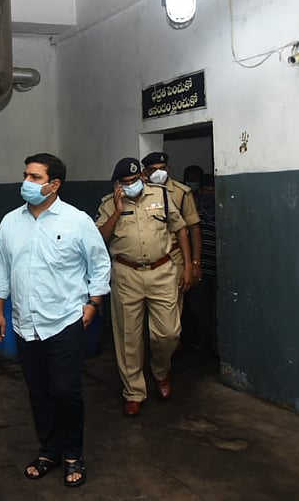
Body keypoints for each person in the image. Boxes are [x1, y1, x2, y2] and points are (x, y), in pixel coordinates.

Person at [0, 152, 111, 488]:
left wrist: (94, 302)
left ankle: (73, 455)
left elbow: (99, 263)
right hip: (23, 323)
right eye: (25, 175)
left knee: (65, 390)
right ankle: (49, 451)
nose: (26, 183)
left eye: (35, 177)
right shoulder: (10, 222)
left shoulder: (77, 221)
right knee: (38, 390)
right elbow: (1, 269)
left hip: (64, 320)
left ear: (54, 184)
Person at [96, 157, 192, 417]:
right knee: (128, 337)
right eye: (125, 183)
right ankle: (134, 392)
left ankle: (161, 371)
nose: (132, 186)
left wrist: (190, 266)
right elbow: (99, 239)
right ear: (118, 185)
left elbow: (180, 228)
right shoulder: (108, 204)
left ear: (142, 178)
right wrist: (117, 210)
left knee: (168, 333)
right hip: (126, 274)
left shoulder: (160, 195)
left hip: (162, 271)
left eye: (135, 180)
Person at [141, 152, 201, 314]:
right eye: (153, 170)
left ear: (168, 169)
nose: (159, 173)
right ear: (145, 172)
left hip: (175, 256)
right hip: (147, 258)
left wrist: (194, 264)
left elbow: (194, 229)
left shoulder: (181, 193)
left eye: (162, 168)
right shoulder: (139, 192)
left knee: (170, 311)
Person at [183, 173, 218, 351]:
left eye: (213, 191)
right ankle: (204, 339)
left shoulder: (224, 213)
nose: (209, 194)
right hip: (201, 269)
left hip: (219, 271)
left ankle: (216, 344)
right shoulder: (194, 214)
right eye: (205, 191)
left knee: (217, 309)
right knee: (197, 307)